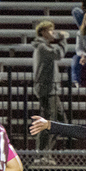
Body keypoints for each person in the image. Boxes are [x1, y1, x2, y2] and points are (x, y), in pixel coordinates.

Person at [31, 20, 68, 157]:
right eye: (50, 30)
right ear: (43, 32)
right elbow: (58, 54)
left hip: (51, 89)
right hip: (47, 89)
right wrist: (63, 40)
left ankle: (46, 151)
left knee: (60, 120)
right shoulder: (41, 47)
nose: (53, 33)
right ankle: (42, 154)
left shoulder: (43, 46)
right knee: (48, 121)